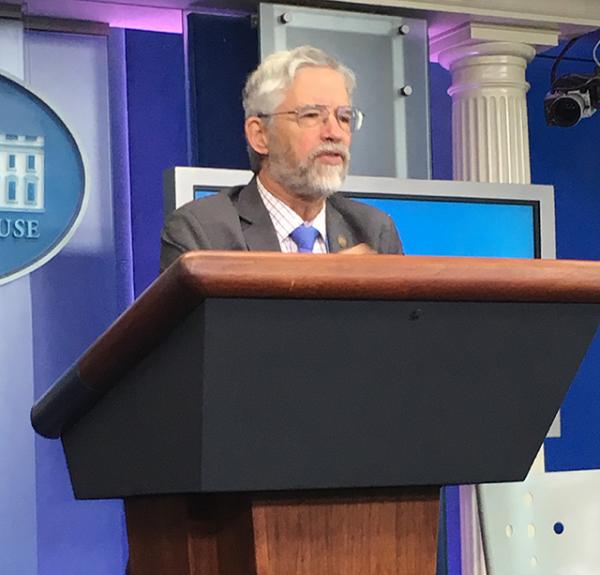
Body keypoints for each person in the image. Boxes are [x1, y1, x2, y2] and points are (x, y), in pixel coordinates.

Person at [160, 45, 402, 270]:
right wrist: (325, 280)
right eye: (311, 116)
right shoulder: (202, 232)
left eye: (345, 118)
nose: (334, 133)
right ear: (260, 135)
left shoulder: (373, 231)